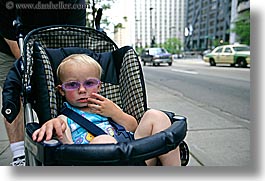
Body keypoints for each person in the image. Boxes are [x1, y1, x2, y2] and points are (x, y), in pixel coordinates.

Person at [32, 54, 181, 166]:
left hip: (136, 159)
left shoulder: (106, 106)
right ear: (61, 90)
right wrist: (53, 126)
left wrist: (115, 113)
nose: (82, 90)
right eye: (72, 85)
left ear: (99, 86)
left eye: (89, 83)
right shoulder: (64, 118)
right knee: (104, 141)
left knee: (155, 116)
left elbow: (133, 128)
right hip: (98, 164)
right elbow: (66, 148)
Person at [0, 0, 86, 166]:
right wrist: (30, 67)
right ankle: (19, 154)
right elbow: (10, 37)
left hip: (54, 42)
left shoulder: (75, 2)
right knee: (15, 90)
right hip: (11, 46)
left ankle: (65, 139)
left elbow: (76, 36)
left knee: (63, 86)